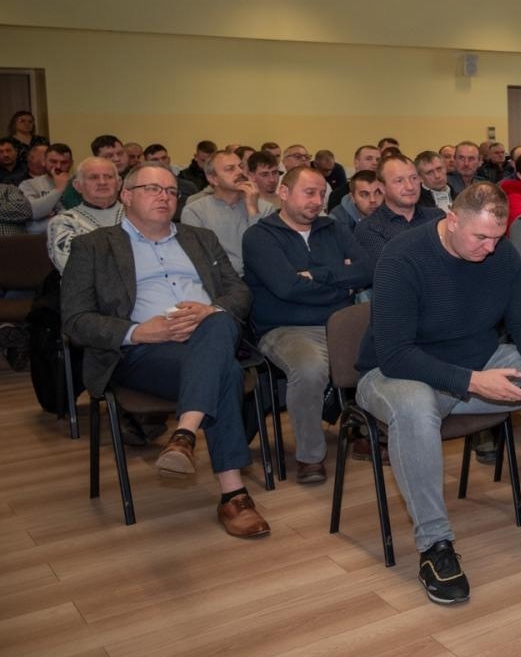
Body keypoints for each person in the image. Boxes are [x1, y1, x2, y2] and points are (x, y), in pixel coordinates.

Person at [355, 183, 521, 603]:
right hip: (397, 372)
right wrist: (472, 381)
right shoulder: (403, 257)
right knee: (414, 408)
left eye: (497, 238)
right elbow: (394, 354)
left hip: (477, 361)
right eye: (480, 237)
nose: (490, 248)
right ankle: (435, 545)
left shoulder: (501, 256)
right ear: (451, 220)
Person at [60, 163, 268, 537]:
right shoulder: (92, 246)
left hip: (208, 338)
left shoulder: (199, 238)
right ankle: (233, 495)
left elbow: (238, 292)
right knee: (227, 372)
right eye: (152, 189)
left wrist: (209, 310)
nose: (164, 197)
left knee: (218, 321)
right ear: (126, 196)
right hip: (141, 354)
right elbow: (75, 320)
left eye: (171, 191)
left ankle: (185, 435)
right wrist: (139, 332)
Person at [244, 166, 373, 482]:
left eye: (322, 194)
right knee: (310, 368)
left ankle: (368, 432)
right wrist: (341, 284)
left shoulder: (334, 229)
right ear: (284, 193)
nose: (317, 201)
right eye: (309, 193)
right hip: (285, 327)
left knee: (386, 351)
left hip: (339, 324)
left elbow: (368, 269)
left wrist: (317, 275)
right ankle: (310, 457)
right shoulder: (259, 236)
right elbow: (285, 288)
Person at [180, 149, 274, 275]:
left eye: (241, 166)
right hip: (221, 283)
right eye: (230, 169)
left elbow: (266, 252)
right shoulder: (194, 211)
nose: (240, 172)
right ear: (213, 179)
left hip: (261, 280)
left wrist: (253, 210)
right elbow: (201, 260)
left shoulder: (265, 208)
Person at [355, 154, 442, 264]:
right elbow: (394, 269)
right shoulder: (369, 228)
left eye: (414, 178)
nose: (410, 187)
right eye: (399, 181)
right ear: (382, 188)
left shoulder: (437, 217)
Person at [47, 157, 124, 273]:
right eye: (93, 177)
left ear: (119, 183)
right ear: (77, 185)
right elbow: (73, 266)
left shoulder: (140, 216)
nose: (102, 182)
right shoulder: (64, 222)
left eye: (109, 177)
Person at [21, 142, 72, 232]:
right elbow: (34, 213)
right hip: (40, 239)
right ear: (44, 161)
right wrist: (59, 189)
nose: (58, 166)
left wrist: (46, 211)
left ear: (71, 163)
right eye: (53, 161)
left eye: (64, 162)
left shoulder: (79, 184)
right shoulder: (28, 185)